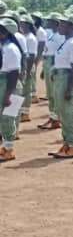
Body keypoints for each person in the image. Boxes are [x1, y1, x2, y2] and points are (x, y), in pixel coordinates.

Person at [49, 13, 73, 159]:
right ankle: (67, 143)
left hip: (68, 79)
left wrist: (69, 89)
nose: (60, 26)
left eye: (63, 24)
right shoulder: (66, 41)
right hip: (61, 78)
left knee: (68, 113)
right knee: (62, 112)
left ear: (71, 26)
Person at [0, 17, 23, 162]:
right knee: (3, 118)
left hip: (10, 85)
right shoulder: (3, 46)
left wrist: (8, 95)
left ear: (5, 32)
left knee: (8, 117)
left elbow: (14, 73)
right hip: (3, 82)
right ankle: (6, 147)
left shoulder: (11, 49)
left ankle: (9, 149)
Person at [17, 15, 37, 123]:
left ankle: (25, 113)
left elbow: (32, 56)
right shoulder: (23, 36)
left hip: (28, 66)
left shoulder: (31, 38)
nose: (21, 25)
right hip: (24, 66)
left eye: (24, 23)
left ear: (28, 25)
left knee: (26, 91)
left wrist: (28, 71)